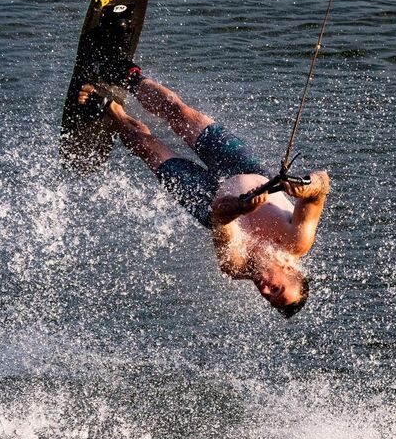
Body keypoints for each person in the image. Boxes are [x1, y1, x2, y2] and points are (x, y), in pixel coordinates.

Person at [77, 64, 330, 317]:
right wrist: (305, 186)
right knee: (180, 113)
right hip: (244, 168)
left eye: (268, 298)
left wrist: (240, 208)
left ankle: (109, 108)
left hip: (206, 199)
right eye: (276, 289)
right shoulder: (297, 240)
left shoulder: (236, 265)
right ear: (291, 271)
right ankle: (130, 77)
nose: (264, 291)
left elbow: (219, 216)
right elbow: (322, 185)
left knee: (145, 147)